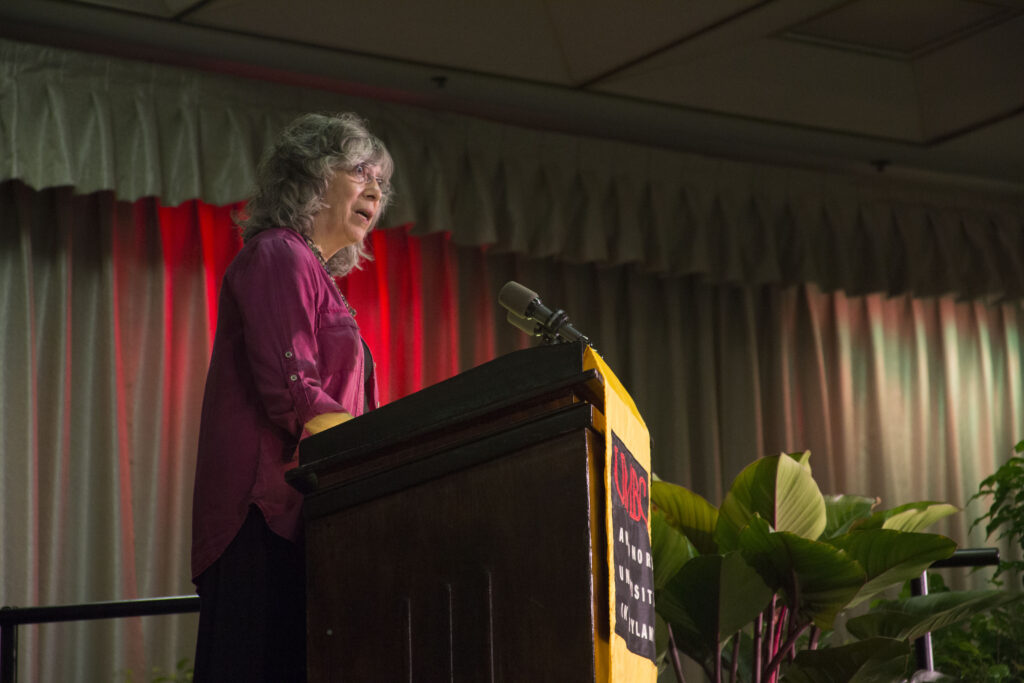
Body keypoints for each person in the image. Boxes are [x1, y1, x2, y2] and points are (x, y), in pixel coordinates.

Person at [190, 112, 393, 682]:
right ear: (311, 176)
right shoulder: (278, 255)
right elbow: (294, 391)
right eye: (360, 171)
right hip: (262, 516)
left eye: (381, 180)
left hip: (309, 518)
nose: (376, 190)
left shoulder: (316, 275)